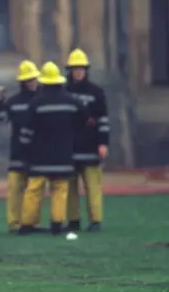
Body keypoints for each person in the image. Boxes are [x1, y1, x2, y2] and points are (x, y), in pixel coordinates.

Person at [18, 63, 90, 235]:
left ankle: (27, 225)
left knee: (34, 190)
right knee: (60, 190)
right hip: (63, 156)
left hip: (39, 157)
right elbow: (85, 119)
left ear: (43, 82)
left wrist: (24, 150)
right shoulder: (72, 101)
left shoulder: (36, 102)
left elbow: (26, 131)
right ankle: (57, 224)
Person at [0, 60, 43, 233]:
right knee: (15, 189)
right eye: (29, 80)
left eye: (34, 79)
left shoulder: (42, 100)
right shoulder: (14, 101)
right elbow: (1, 118)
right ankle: (14, 223)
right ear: (22, 82)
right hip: (18, 152)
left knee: (34, 191)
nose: (33, 83)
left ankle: (30, 222)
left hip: (38, 151)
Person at [64, 49, 109, 232]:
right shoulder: (63, 91)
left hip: (90, 145)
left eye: (81, 68)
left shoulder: (96, 92)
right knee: (70, 187)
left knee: (93, 186)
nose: (78, 72)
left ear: (86, 70)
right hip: (69, 146)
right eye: (75, 69)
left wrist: (103, 143)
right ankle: (73, 220)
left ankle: (95, 220)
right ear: (70, 70)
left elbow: (103, 119)